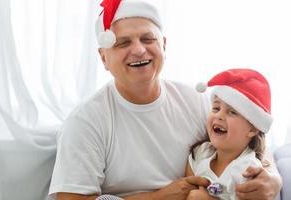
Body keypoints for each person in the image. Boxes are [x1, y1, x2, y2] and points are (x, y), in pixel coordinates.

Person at [48, 0, 282, 199]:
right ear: (104, 58)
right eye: (123, 43)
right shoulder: (85, 122)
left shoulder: (197, 101)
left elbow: (249, 136)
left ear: (164, 45)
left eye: (148, 39)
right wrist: (159, 197)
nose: (139, 50)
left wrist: (272, 177)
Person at [185, 68, 275, 200]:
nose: (219, 115)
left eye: (232, 112)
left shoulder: (250, 171)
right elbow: (187, 191)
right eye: (216, 108)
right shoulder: (200, 153)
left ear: (252, 129)